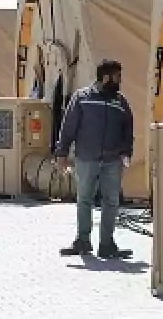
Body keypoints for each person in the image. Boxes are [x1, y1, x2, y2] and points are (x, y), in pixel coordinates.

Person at [56, 59, 134, 259]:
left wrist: (126, 152)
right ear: (105, 78)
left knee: (111, 201)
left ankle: (107, 245)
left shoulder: (120, 101)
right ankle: (82, 241)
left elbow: (128, 129)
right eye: (117, 77)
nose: (119, 82)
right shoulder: (82, 98)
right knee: (84, 200)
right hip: (86, 159)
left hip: (112, 161)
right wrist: (61, 154)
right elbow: (68, 126)